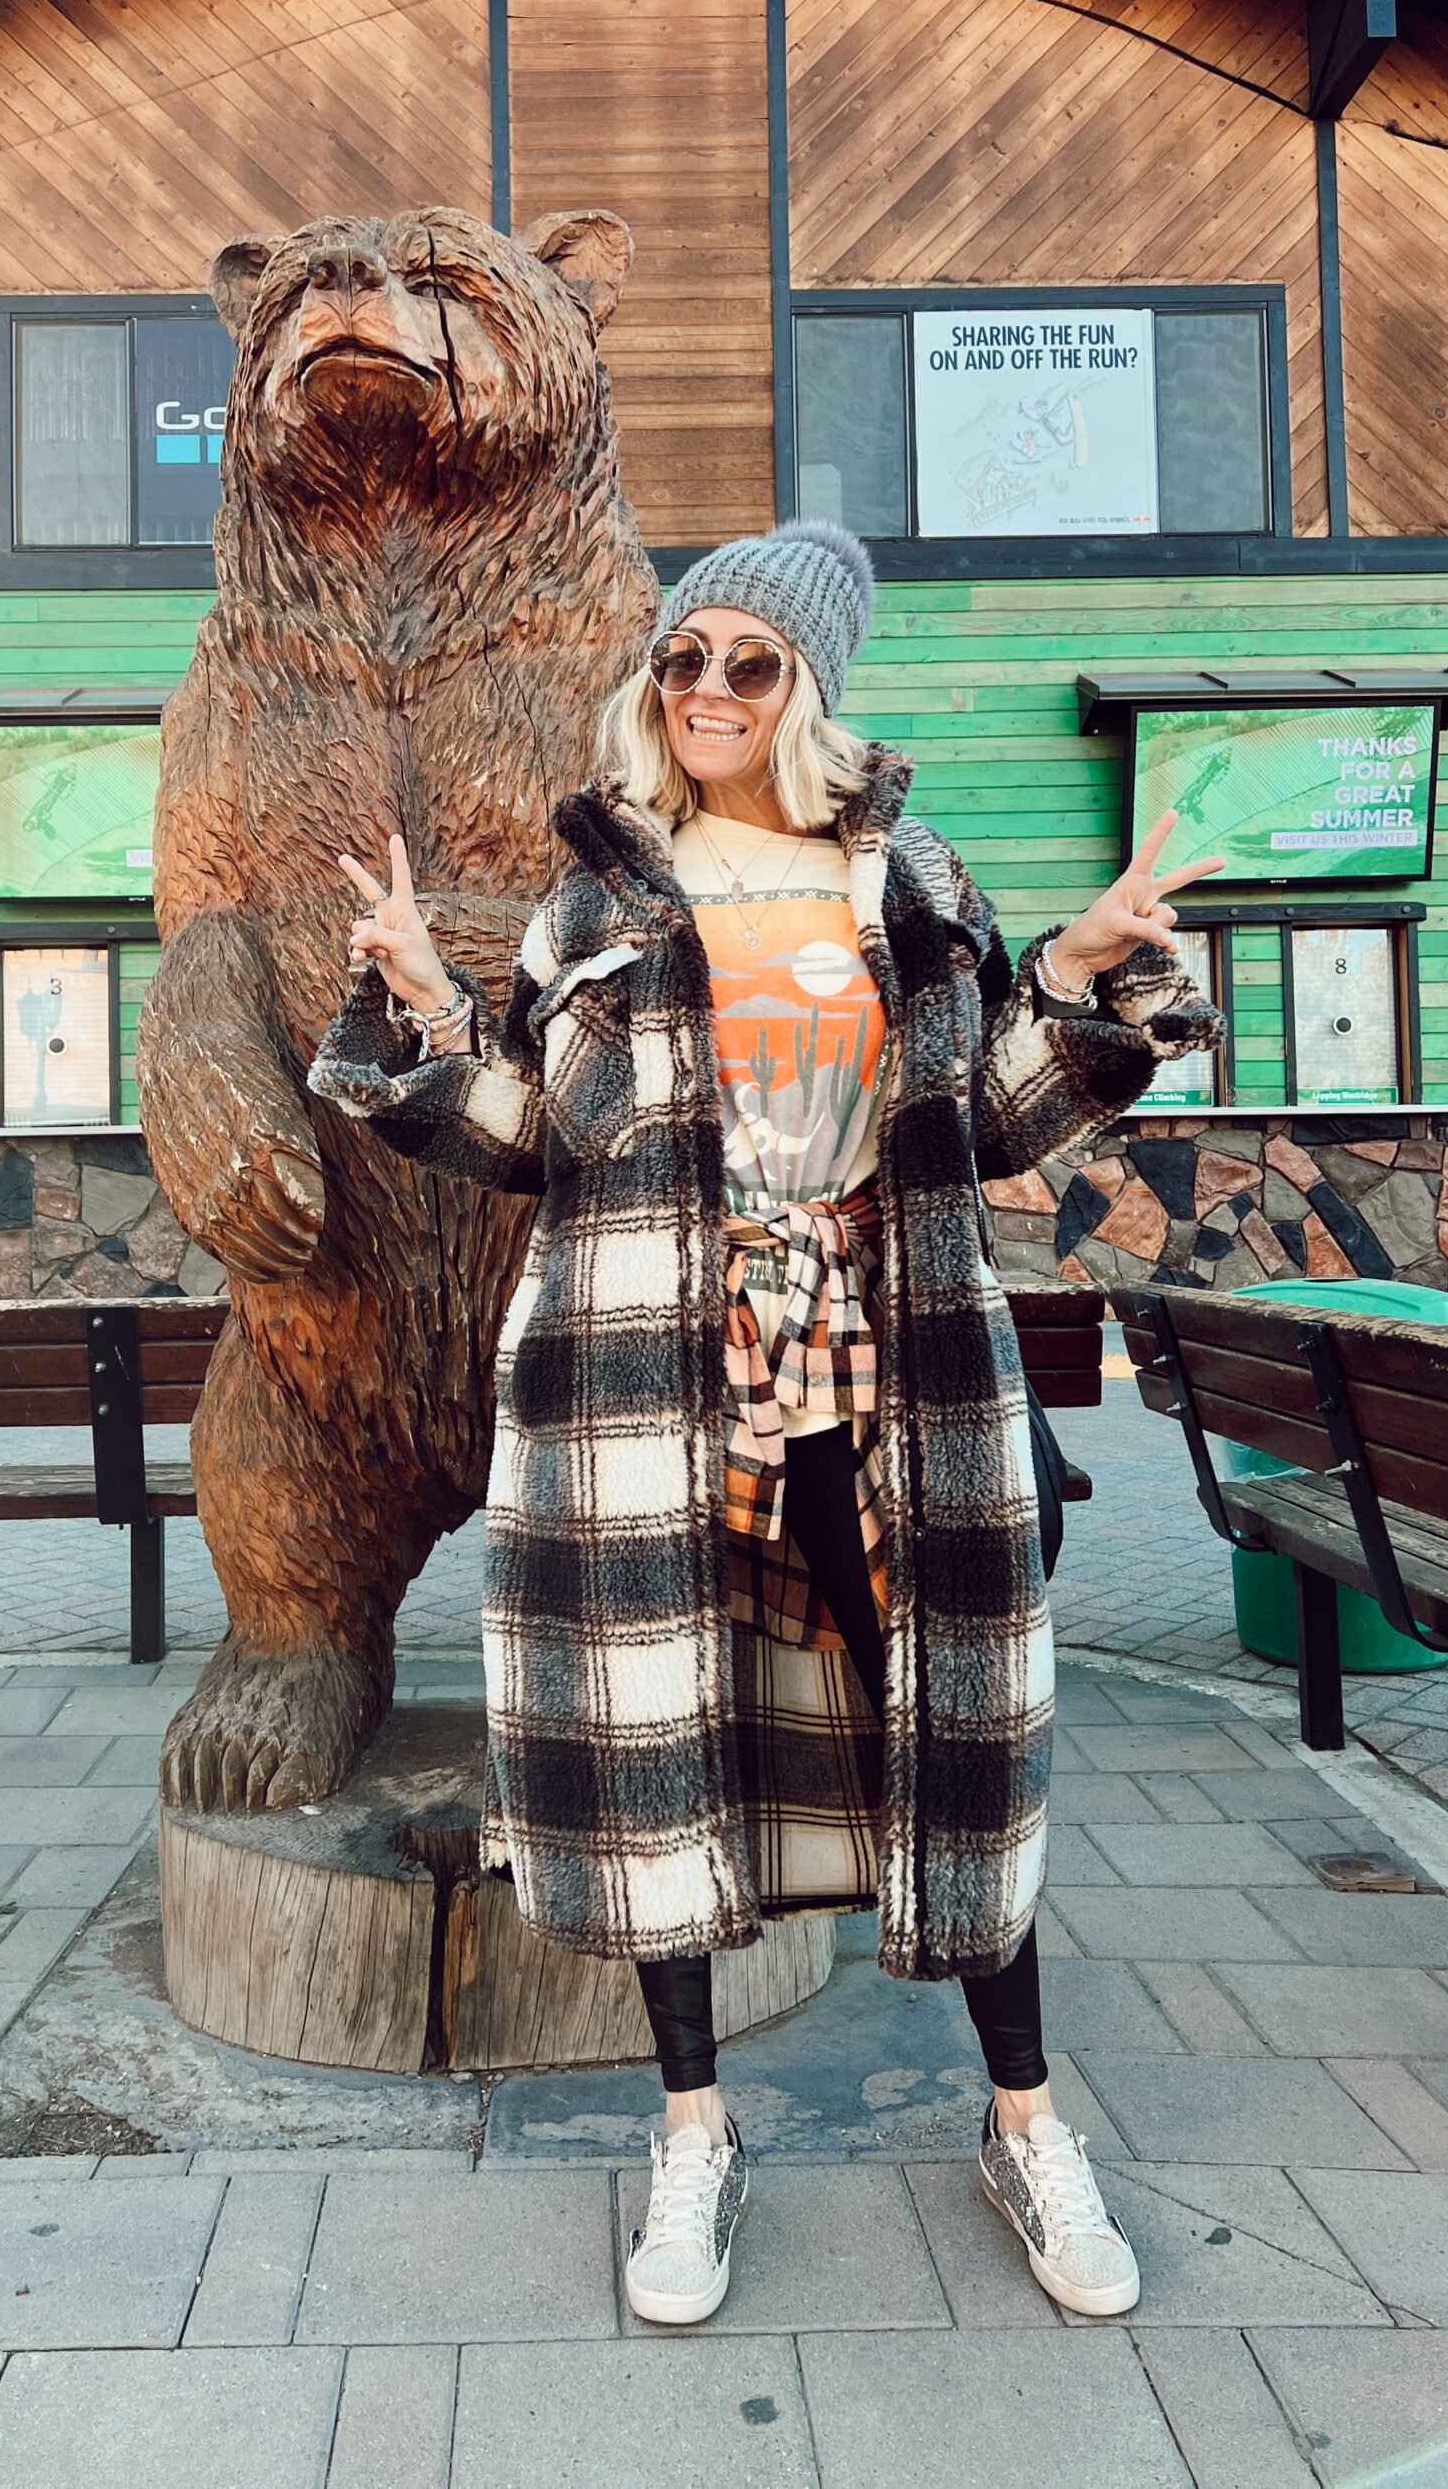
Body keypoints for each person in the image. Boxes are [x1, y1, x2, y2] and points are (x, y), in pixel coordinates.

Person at [310, 518, 1222, 2326]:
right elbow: (534, 1146)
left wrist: (1075, 969)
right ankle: (695, 2134)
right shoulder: (596, 904)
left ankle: (1027, 2123)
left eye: (751, 661)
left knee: (946, 1721)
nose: (708, 688)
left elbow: (998, 1121)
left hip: (883, 1362)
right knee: (660, 1731)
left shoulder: (905, 885)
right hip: (647, 1365)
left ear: (809, 689)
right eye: (684, 656)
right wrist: (423, 1000)